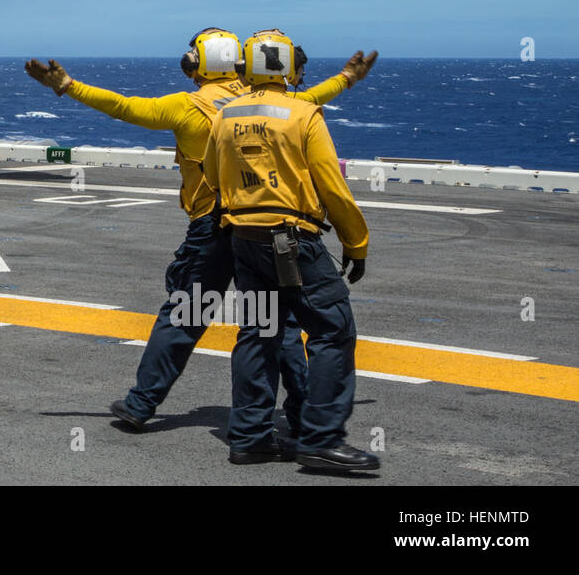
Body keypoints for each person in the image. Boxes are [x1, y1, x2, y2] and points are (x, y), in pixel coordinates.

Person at [25, 30, 376, 439]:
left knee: (185, 314)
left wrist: (67, 86)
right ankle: (302, 418)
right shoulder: (261, 103)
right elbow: (310, 99)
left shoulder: (185, 106)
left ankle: (141, 404)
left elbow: (122, 107)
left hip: (213, 227)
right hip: (260, 227)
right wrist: (347, 78)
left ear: (198, 65)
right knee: (274, 323)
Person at [203, 30, 378, 471]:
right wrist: (356, 242)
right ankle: (321, 438)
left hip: (244, 238)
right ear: (294, 68)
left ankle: (249, 438)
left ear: (244, 68)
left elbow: (209, 173)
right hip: (293, 241)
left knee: (257, 335)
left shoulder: (225, 115)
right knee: (332, 330)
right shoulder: (303, 113)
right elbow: (331, 186)